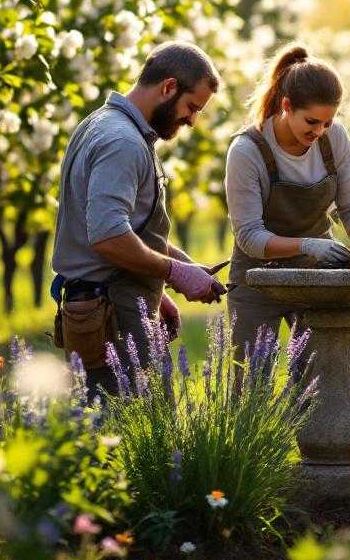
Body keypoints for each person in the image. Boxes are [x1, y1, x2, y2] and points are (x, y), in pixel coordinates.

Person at [52, 41, 228, 399]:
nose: (192, 121)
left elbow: (129, 230)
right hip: (113, 315)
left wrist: (171, 277)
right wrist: (174, 273)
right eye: (191, 107)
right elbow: (109, 236)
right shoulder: (123, 142)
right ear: (168, 87)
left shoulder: (101, 124)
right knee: (134, 434)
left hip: (109, 303)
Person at [224, 43, 350, 358]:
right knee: (251, 384)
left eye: (327, 122)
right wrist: (308, 244)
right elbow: (250, 237)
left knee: (317, 380)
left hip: (317, 275)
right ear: (286, 105)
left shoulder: (335, 140)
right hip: (258, 278)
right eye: (311, 122)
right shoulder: (247, 151)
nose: (320, 131)